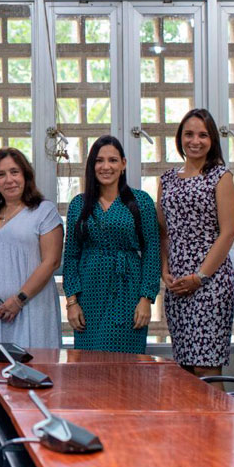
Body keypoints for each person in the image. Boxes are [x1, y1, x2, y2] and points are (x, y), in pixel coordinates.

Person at [157, 108, 234, 377]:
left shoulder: (220, 176)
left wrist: (200, 277)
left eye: (203, 135)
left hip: (210, 284)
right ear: (179, 138)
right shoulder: (167, 179)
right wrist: (165, 271)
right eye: (189, 134)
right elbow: (164, 232)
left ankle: (218, 421)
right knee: (186, 369)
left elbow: (228, 233)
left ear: (212, 140)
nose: (195, 140)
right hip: (178, 286)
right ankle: (195, 421)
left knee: (206, 368)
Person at [61, 136, 160, 353]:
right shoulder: (79, 204)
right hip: (89, 298)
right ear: (92, 166)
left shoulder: (140, 201)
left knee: (126, 367)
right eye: (99, 161)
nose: (106, 166)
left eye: (113, 160)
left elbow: (152, 251)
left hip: (128, 295)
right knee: (89, 368)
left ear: (123, 164)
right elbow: (70, 256)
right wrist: (71, 302)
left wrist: (146, 298)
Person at [0, 148, 63, 348]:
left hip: (32, 308)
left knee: (35, 370)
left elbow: (51, 261)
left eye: (14, 172)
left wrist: (19, 299)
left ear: (26, 175)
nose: (9, 180)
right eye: (0, 175)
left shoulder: (44, 211)